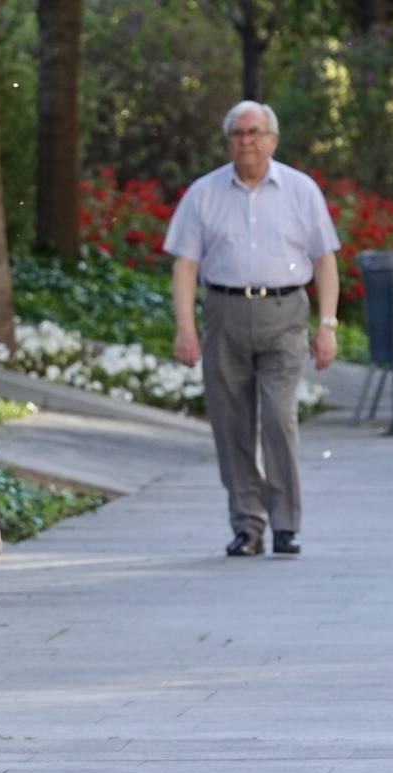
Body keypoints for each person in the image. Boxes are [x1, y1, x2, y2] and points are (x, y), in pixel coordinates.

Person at [164, 100, 341, 557]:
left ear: (273, 139)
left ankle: (286, 523)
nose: (248, 140)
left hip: (286, 314)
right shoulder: (203, 194)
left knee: (279, 419)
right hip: (224, 312)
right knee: (232, 424)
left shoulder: (301, 191)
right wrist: (185, 328)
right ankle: (247, 525)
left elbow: (325, 260)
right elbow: (185, 266)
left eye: (256, 132)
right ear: (229, 141)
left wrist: (327, 325)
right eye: (239, 133)